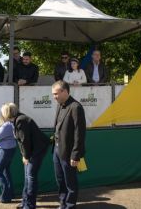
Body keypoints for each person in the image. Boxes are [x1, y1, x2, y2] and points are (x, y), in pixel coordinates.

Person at [4, 103, 49, 209]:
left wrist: (26, 156)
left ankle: (29, 205)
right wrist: (25, 155)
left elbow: (25, 141)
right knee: (27, 176)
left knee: (31, 177)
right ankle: (25, 202)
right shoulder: (19, 119)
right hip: (32, 151)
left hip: (36, 150)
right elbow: (23, 141)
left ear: (8, 113)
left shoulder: (21, 120)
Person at [51, 80, 86, 209]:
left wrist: (75, 155)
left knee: (70, 181)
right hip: (56, 150)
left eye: (56, 94)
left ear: (65, 91)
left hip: (69, 152)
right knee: (60, 180)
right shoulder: (60, 105)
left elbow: (80, 133)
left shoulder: (76, 107)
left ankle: (70, 205)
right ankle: (63, 203)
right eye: (53, 94)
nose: (54, 97)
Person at [0, 103, 17, 203]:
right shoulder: (10, 123)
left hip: (5, 150)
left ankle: (5, 196)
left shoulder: (7, 125)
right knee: (5, 170)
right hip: (10, 149)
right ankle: (10, 193)